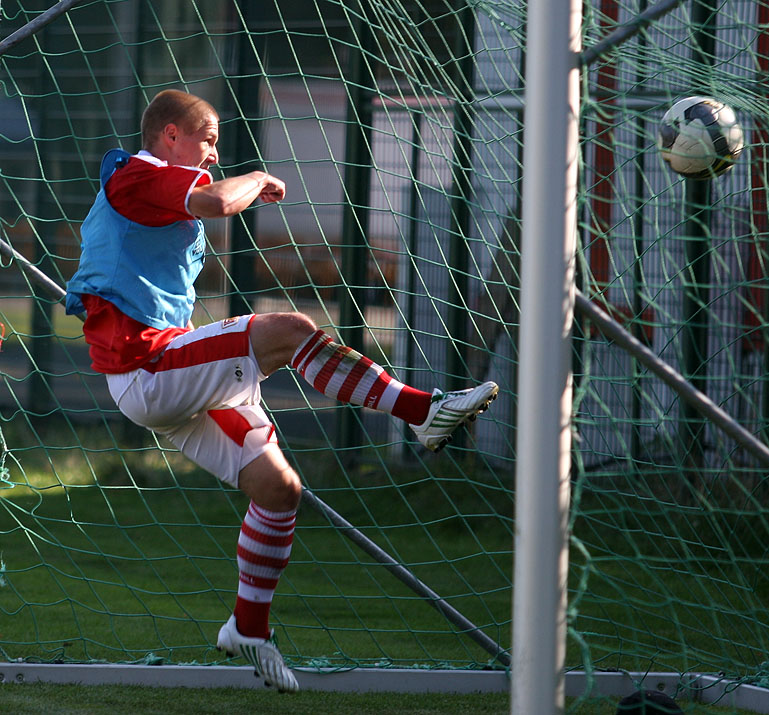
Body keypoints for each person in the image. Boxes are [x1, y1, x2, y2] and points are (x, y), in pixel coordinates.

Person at [65, 89, 499, 693]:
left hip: (165, 382)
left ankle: (248, 628)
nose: (214, 152)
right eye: (207, 138)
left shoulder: (159, 186)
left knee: (279, 490)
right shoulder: (140, 173)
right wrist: (258, 177)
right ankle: (423, 412)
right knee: (289, 330)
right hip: (149, 367)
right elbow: (219, 200)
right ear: (170, 135)